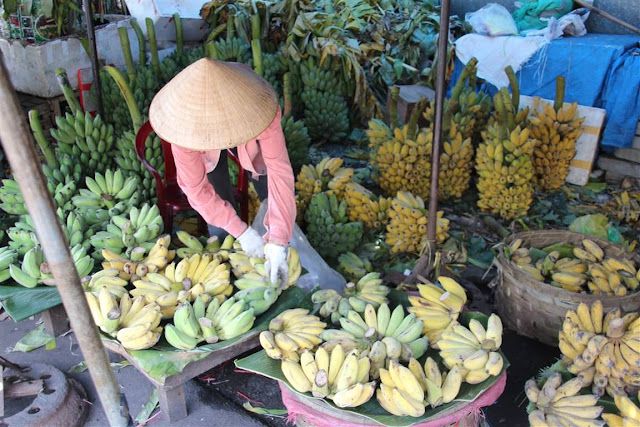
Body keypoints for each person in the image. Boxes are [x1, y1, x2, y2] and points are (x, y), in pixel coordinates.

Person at [148, 58, 296, 288]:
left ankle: (280, 248)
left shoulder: (261, 110)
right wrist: (241, 232)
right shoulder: (185, 132)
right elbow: (195, 188)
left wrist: (278, 239)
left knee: (268, 186)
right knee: (217, 191)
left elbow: (280, 170)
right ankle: (227, 267)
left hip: (247, 120)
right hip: (203, 145)